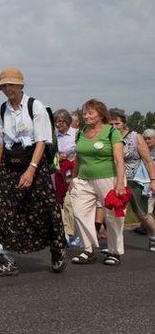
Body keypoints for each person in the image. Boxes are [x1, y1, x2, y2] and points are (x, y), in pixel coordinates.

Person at [0, 68, 67, 276]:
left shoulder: (36, 107)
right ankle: (8, 259)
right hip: (9, 162)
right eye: (4, 86)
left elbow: (41, 141)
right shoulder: (0, 110)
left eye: (11, 85)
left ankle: (57, 250)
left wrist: (31, 171)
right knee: (7, 211)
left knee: (44, 207)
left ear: (21, 86)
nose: (7, 89)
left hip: (33, 161)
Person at [70, 100, 126, 265]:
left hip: (108, 178)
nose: (86, 116)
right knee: (79, 212)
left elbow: (119, 160)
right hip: (84, 178)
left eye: (90, 113)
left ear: (101, 114)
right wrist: (74, 178)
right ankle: (88, 249)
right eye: (84, 113)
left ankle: (114, 251)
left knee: (112, 216)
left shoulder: (111, 132)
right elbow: (78, 158)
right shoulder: (80, 132)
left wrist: (120, 183)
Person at [108, 110, 155, 252]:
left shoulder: (136, 137)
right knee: (116, 213)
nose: (115, 126)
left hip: (135, 179)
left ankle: (153, 234)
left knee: (141, 213)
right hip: (116, 179)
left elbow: (147, 161)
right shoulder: (108, 137)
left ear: (124, 123)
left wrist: (153, 179)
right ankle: (115, 245)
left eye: (118, 123)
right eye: (111, 124)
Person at [54, 109, 79, 246]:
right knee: (59, 200)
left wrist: (69, 156)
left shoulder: (76, 134)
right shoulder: (54, 136)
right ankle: (64, 230)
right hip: (58, 170)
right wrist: (58, 155)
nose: (58, 124)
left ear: (68, 121)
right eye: (56, 121)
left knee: (70, 200)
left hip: (73, 169)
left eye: (61, 121)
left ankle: (70, 232)